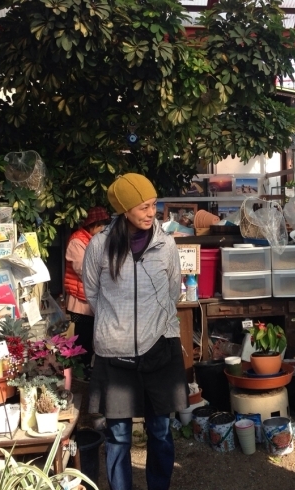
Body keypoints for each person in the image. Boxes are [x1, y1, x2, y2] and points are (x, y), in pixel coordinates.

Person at [83, 173, 188, 490]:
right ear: (124, 209)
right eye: (142, 206)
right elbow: (93, 294)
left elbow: (172, 292)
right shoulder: (99, 245)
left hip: (159, 348)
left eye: (153, 204)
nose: (150, 213)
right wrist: (118, 324)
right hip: (114, 354)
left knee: (159, 429)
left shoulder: (166, 245)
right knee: (117, 435)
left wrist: (150, 323)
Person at [64, 206, 111, 375]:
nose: (103, 230)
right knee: (83, 339)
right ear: (93, 225)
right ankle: (81, 373)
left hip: (90, 298)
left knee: (91, 336)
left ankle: (87, 370)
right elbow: (85, 270)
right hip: (80, 301)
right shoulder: (77, 241)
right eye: (101, 226)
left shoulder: (93, 240)